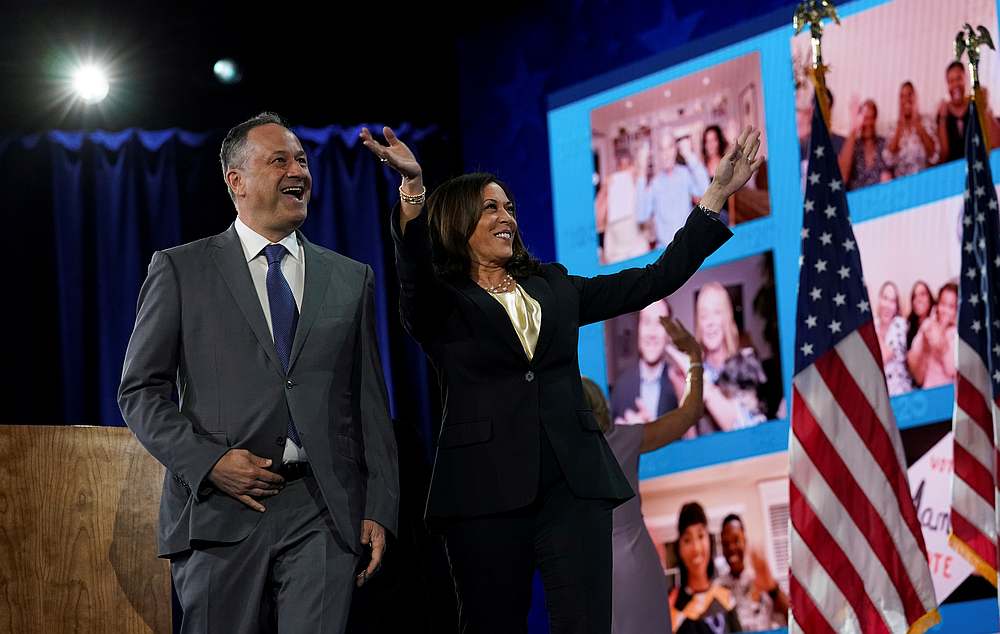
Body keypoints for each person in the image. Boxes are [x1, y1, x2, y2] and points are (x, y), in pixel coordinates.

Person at [360, 123, 762, 633]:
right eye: (491, 208)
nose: (507, 216)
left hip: (574, 487)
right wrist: (413, 187)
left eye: (509, 207)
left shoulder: (554, 285)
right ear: (459, 221)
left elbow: (652, 280)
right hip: (485, 494)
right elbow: (413, 273)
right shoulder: (443, 304)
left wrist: (713, 198)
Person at [118, 113, 399, 633]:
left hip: (323, 511)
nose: (299, 170)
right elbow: (140, 391)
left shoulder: (349, 277)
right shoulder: (182, 269)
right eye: (280, 160)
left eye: (302, 160)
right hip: (221, 508)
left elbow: (368, 403)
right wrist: (210, 462)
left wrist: (379, 506)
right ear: (236, 181)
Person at [584, 316, 705, 634]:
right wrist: (694, 358)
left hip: (588, 575)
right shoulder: (623, 438)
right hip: (637, 566)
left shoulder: (555, 460)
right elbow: (689, 413)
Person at [694, 281, 767, 435]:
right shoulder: (694, 371)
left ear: (727, 317)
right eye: (704, 315)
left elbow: (746, 428)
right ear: (698, 323)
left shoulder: (746, 362)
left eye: (717, 313)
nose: (710, 323)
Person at [610, 299, 682, 431]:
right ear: (638, 329)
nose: (652, 333)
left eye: (660, 323)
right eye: (646, 322)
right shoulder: (621, 386)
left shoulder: (680, 386)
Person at [670, 502, 742, 633]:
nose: (696, 548)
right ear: (679, 548)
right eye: (687, 540)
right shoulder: (673, 607)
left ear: (709, 540)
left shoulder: (726, 598)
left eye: (701, 536)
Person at [638, 129, 711, 249]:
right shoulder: (655, 184)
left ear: (675, 150)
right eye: (662, 149)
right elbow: (641, 215)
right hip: (665, 251)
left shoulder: (685, 174)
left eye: (670, 147)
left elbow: (706, 191)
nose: (666, 154)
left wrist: (689, 155)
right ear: (658, 153)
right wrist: (641, 169)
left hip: (688, 245)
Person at [718, 514, 788, 631]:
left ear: (744, 540)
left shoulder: (761, 581)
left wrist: (773, 589)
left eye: (736, 540)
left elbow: (792, 618)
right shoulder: (718, 588)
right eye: (726, 544)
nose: (731, 548)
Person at [603, 145, 651, 263]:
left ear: (632, 166)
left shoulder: (639, 185)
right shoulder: (611, 187)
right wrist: (605, 190)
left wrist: (638, 178)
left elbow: (645, 218)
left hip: (637, 249)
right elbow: (599, 222)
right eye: (621, 166)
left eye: (627, 165)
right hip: (616, 253)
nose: (624, 171)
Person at [908, 281, 958, 389]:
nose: (945, 311)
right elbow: (913, 357)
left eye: (951, 307)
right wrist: (925, 347)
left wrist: (942, 342)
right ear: (937, 305)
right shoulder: (928, 325)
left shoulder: (956, 334)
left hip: (950, 392)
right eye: (943, 304)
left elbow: (952, 370)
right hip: (929, 391)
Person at [884, 81, 939, 178]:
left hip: (924, 179)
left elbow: (934, 156)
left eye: (909, 94)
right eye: (902, 96)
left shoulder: (927, 121)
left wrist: (917, 124)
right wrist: (899, 127)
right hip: (901, 183)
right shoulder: (893, 127)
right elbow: (888, 159)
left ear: (916, 97)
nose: (906, 99)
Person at [839, 99, 892, 190]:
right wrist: (854, 129)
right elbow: (842, 176)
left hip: (879, 198)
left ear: (875, 119)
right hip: (856, 200)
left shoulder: (884, 144)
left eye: (870, 118)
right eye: (864, 118)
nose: (867, 123)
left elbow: (890, 174)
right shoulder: (853, 145)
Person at [874, 281, 913, 396]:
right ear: (879, 300)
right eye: (885, 298)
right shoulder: (874, 324)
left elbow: (884, 357)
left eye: (892, 301)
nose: (887, 305)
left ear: (896, 306)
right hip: (879, 394)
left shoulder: (900, 325)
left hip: (899, 393)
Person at [906, 280, 935, 349]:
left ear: (929, 298)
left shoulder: (937, 320)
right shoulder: (909, 326)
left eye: (922, 294)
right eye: (914, 296)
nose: (918, 299)